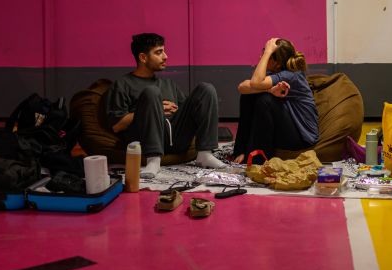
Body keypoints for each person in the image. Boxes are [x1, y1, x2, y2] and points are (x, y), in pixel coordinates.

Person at [105, 33, 225, 172]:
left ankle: (205, 154)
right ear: (143, 57)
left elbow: (188, 113)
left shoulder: (168, 84)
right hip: (145, 142)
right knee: (152, 92)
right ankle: (153, 160)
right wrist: (151, 110)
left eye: (164, 51)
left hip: (176, 140)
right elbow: (117, 126)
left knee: (206, 88)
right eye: (159, 52)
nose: (165, 56)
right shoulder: (122, 84)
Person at [232, 37, 319, 164]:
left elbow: (256, 82)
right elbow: (242, 87)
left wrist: (268, 52)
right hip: (289, 127)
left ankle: (259, 159)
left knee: (265, 101)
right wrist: (269, 90)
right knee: (250, 96)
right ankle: (241, 151)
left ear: (277, 63)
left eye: (266, 55)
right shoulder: (275, 71)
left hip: (302, 136)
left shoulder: (291, 75)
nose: (262, 56)